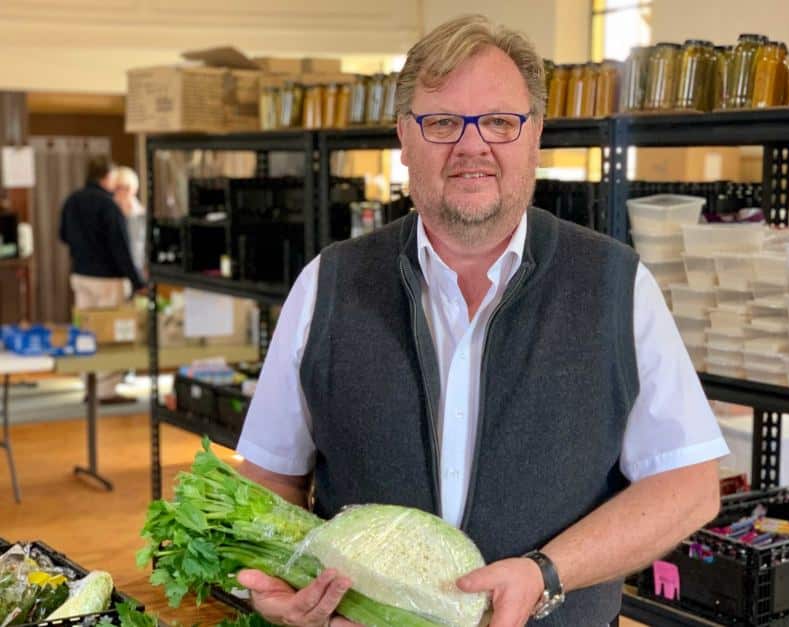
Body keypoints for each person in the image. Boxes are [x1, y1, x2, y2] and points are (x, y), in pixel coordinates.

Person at [235, 14, 729, 627]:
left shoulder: (615, 285)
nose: (473, 146)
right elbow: (268, 482)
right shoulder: (326, 286)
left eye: (500, 121)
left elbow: (686, 485)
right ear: (404, 139)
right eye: (442, 123)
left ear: (535, 135)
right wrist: (281, 588)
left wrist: (546, 573)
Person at [59, 156, 145, 403]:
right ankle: (106, 391)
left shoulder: (72, 200)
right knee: (109, 334)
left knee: (85, 331)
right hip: (107, 279)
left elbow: (63, 235)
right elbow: (121, 248)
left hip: (80, 275)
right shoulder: (108, 206)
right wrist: (138, 282)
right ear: (107, 177)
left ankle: (89, 384)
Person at [113, 166, 147, 278]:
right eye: (118, 188)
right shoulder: (107, 214)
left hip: (138, 271)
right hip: (113, 273)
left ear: (134, 189)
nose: (122, 192)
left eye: (127, 187)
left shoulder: (143, 215)